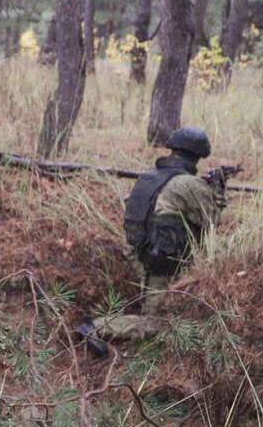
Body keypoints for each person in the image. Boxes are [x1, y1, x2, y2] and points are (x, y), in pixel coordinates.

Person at [78, 126, 227, 352]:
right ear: (199, 155)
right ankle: (95, 327)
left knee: (168, 307)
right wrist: (218, 191)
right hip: (160, 262)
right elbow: (212, 221)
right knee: (154, 324)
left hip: (139, 252)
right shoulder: (190, 185)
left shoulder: (150, 176)